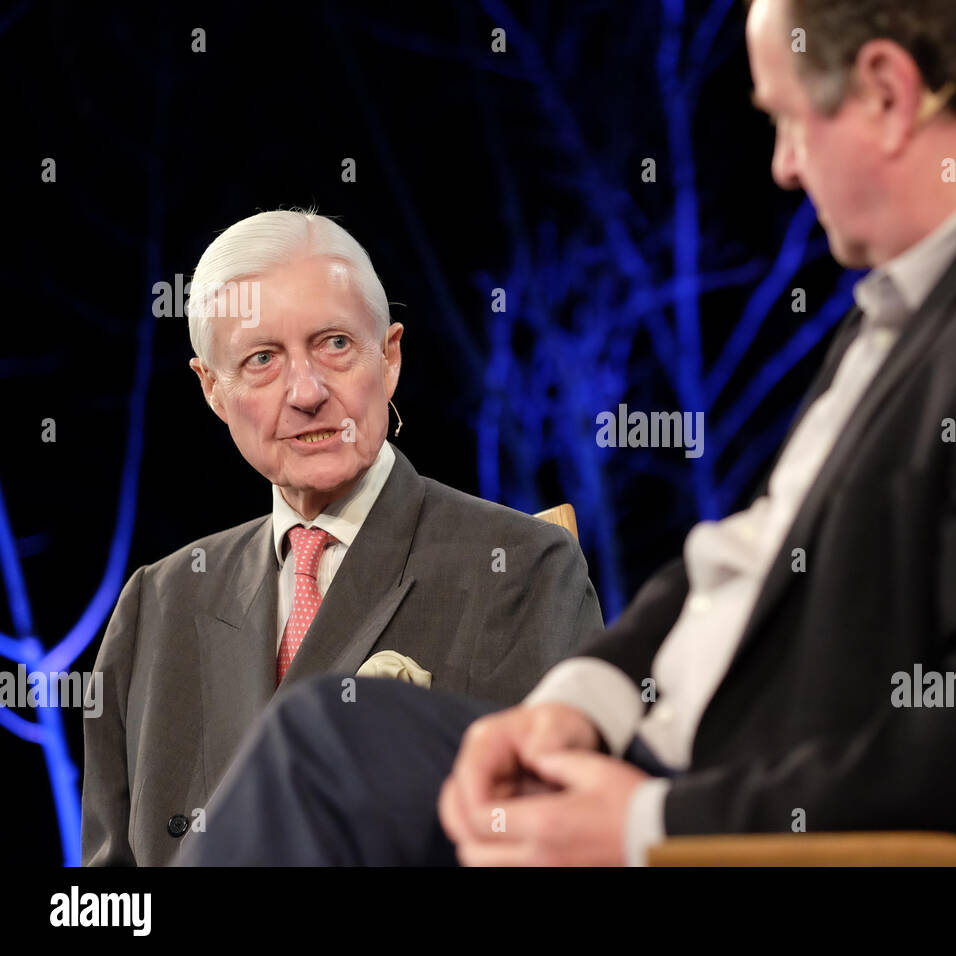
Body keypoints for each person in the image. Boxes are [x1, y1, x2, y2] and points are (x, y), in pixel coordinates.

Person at [180, 0, 956, 867]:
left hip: (755, 828)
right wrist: (581, 700)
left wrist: (650, 826)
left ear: (889, 92)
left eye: (788, 117)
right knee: (336, 739)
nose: (783, 167)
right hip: (692, 778)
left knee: (323, 756)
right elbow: (756, 551)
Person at [82, 210, 602, 866]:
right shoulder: (154, 607)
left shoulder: (522, 570)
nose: (306, 392)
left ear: (389, 357)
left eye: (333, 345)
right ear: (213, 389)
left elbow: (551, 844)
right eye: (262, 359)